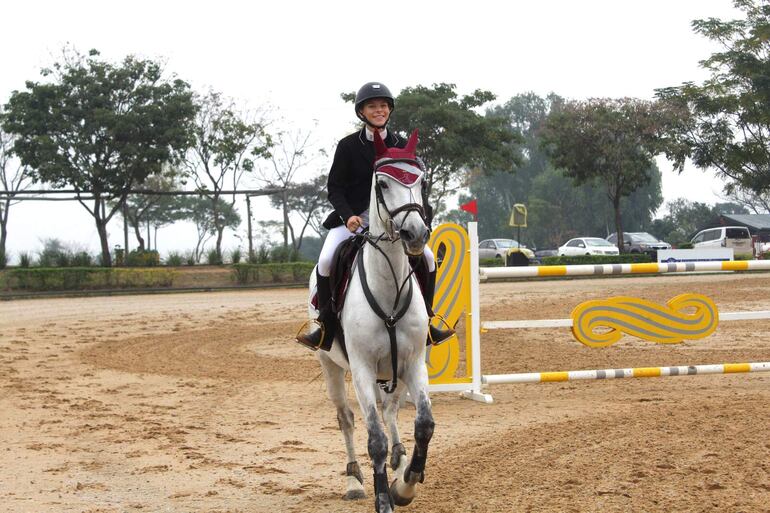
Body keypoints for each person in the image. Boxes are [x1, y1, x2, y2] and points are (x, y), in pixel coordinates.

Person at [296, 81, 455, 351]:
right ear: (362, 112)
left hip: (395, 222)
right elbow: (335, 187)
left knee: (428, 259)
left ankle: (427, 320)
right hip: (355, 220)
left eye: (383, 106)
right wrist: (348, 216)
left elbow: (414, 186)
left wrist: (420, 217)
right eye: (372, 106)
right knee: (325, 260)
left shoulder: (401, 144)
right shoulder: (347, 146)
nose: (378, 110)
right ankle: (325, 326)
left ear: (389, 110)